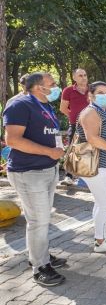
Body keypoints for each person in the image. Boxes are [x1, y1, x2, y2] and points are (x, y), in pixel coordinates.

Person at [4, 72, 67, 286]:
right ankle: (40, 267)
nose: (57, 87)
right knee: (38, 221)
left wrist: (57, 149)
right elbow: (12, 140)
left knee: (43, 219)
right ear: (39, 87)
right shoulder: (20, 104)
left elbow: (50, 133)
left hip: (48, 169)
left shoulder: (46, 105)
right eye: (53, 83)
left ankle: (43, 256)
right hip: (28, 172)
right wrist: (49, 152)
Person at [76, 81, 106, 252]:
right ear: (90, 95)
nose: (105, 95)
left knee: (101, 202)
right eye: (100, 92)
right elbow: (92, 138)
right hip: (96, 164)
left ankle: (102, 234)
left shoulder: (101, 111)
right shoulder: (90, 112)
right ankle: (100, 242)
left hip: (104, 163)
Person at [59, 68, 90, 186]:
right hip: (75, 124)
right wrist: (74, 116)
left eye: (85, 75)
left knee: (90, 149)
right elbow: (63, 108)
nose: (84, 77)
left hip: (91, 125)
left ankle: (88, 176)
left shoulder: (92, 90)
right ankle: (69, 176)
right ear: (74, 78)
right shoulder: (68, 90)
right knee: (72, 150)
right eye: (80, 75)